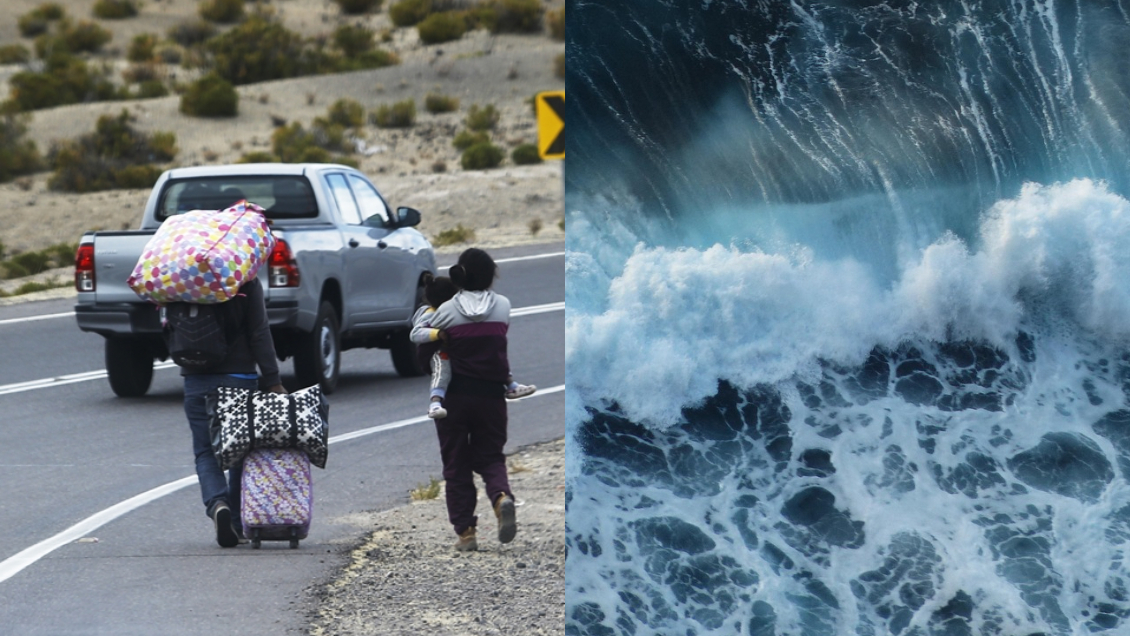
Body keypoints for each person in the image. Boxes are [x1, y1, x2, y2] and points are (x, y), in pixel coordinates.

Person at [426, 248, 524, 551]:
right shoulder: (503, 306)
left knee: (456, 463)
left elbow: (424, 347)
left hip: (454, 398)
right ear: (491, 275)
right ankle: (501, 498)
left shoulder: (446, 311)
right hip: (492, 395)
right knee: (491, 456)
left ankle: (466, 533)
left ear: (459, 275)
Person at [177, 276, 286, 548]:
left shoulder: (180, 277)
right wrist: (273, 380)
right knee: (240, 451)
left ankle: (217, 503)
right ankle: (236, 523)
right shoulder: (244, 279)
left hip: (195, 377)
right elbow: (259, 332)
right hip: (239, 377)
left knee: (205, 451)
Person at [411, 275, 536, 420]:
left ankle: (511, 385)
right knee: (442, 369)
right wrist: (437, 334)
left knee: (492, 352)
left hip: (456, 349)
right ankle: (435, 403)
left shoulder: (454, 310)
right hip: (439, 351)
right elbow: (415, 334)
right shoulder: (430, 314)